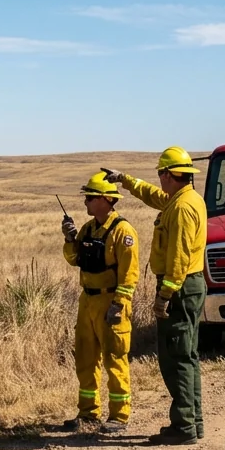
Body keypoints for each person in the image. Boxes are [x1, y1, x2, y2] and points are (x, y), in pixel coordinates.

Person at [102, 148, 207, 446]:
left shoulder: (183, 208)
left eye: (160, 174)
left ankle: (184, 425)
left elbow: (179, 256)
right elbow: (151, 196)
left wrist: (165, 295)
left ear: (168, 175)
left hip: (180, 287)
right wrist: (124, 180)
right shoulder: (183, 199)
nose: (158, 180)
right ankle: (192, 422)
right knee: (187, 355)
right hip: (187, 285)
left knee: (176, 358)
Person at [60, 172, 139, 435]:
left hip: (111, 301)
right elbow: (74, 260)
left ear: (106, 199)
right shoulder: (87, 229)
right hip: (87, 300)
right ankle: (88, 413)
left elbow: (130, 274)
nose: (86, 203)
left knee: (114, 358)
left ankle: (119, 415)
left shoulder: (123, 231)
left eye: (91, 197)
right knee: (85, 357)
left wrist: (119, 304)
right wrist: (70, 239)